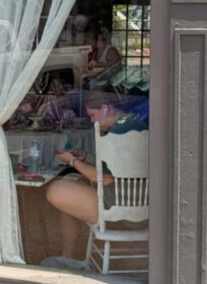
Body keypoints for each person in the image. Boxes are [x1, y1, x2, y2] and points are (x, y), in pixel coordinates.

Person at [41, 92, 148, 271]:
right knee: (72, 182)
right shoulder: (132, 124)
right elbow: (115, 169)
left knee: (57, 189)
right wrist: (85, 157)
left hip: (120, 204)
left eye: (93, 115)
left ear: (105, 108)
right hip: (139, 201)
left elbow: (105, 179)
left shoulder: (117, 133)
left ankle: (68, 256)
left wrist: (73, 161)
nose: (92, 121)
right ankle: (67, 256)